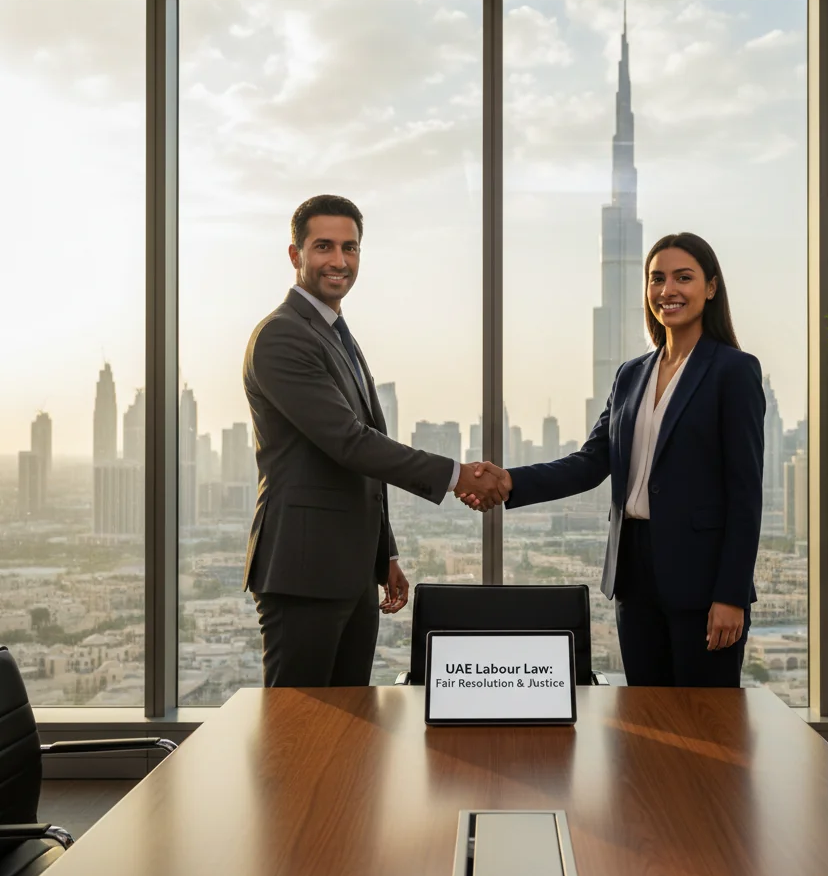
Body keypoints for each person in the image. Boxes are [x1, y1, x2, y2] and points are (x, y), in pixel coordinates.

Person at [459, 233, 765, 687]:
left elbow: (745, 495)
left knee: (705, 718)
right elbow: (590, 462)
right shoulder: (631, 374)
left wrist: (731, 595)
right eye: (657, 279)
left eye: (683, 278)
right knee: (643, 713)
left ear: (711, 287)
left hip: (702, 580)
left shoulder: (733, 370)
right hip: (633, 574)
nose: (668, 290)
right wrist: (509, 482)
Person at [243, 194, 507, 687]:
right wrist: (457, 476)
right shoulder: (282, 336)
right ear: (295, 254)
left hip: (352, 571)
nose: (339, 261)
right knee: (298, 723)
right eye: (324, 246)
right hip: (304, 572)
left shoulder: (336, 334)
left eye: (350, 248)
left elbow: (361, 460)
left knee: (350, 720)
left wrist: (384, 555)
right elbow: (350, 442)